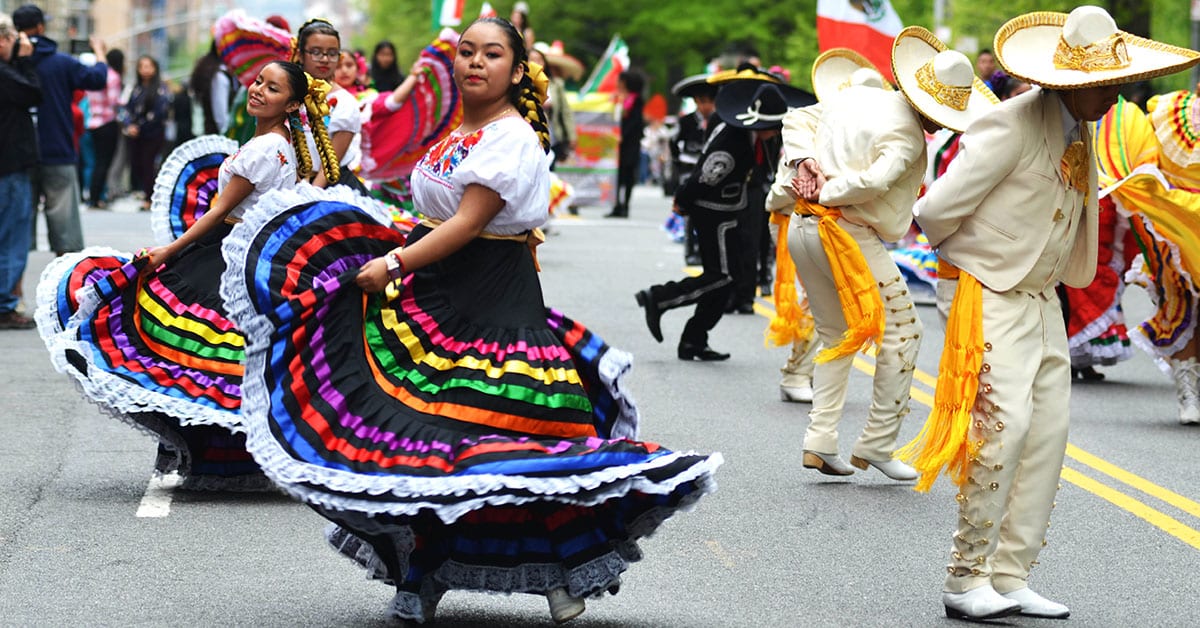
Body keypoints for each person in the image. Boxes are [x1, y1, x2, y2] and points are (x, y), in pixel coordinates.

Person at [220, 16, 721, 625]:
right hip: (435, 296)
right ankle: (421, 576)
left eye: (491, 54)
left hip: (496, 303)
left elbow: (468, 223)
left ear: (516, 71)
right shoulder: (459, 131)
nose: (475, 63)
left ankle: (561, 575)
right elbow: (433, 218)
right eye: (466, 52)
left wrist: (394, 261)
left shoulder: (511, 138)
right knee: (423, 441)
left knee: (518, 440)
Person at [902, 7, 1198, 620]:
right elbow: (934, 211)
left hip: (1041, 296)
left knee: (1047, 434)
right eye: (1103, 84)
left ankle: (1009, 576)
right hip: (991, 293)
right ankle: (965, 579)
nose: (1114, 95)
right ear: (1065, 80)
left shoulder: (1083, 128)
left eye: (1119, 84)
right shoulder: (1007, 125)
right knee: (1000, 429)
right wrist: (973, 265)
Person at [36, 61, 332, 489]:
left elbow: (217, 212)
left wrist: (168, 251)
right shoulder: (285, 144)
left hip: (227, 254)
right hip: (249, 256)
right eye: (258, 82)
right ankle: (229, 459)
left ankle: (217, 456)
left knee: (188, 351)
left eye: (272, 88)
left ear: (289, 104)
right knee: (223, 360)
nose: (257, 90)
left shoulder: (264, 149)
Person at [786, 29, 996, 482]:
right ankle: (878, 442)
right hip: (846, 233)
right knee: (904, 329)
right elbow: (875, 181)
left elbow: (796, 118)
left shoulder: (861, 98)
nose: (944, 125)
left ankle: (820, 441)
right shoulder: (908, 136)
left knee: (835, 334)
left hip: (803, 226)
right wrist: (831, 189)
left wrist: (800, 164)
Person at [635, 72, 810, 361]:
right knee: (721, 278)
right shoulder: (734, 141)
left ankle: (694, 339)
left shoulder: (750, 134)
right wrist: (682, 201)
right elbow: (704, 176)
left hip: (731, 210)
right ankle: (660, 297)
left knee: (728, 279)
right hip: (712, 213)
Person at [14, 4, 107, 255]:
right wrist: (99, 53)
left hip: (17, 154)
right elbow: (97, 79)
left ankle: (15, 291)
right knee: (66, 232)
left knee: (18, 229)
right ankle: (63, 285)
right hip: (58, 149)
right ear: (42, 27)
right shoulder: (62, 62)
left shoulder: (10, 63)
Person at [0, 14, 41, 330]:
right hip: (9, 165)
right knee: (11, 236)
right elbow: (32, 93)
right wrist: (26, 61)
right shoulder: (6, 73)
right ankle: (4, 304)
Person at [292, 18, 363, 192]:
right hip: (288, 183)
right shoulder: (287, 95)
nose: (324, 59)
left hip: (329, 187)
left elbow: (331, 165)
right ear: (301, 54)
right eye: (316, 52)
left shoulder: (344, 103)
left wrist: (309, 196)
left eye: (332, 53)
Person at [670, 73, 718, 265]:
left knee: (707, 213)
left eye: (708, 102)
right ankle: (690, 250)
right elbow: (674, 142)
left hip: (709, 171)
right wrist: (678, 163)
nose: (704, 107)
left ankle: (703, 249)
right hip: (689, 168)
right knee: (689, 212)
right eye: (700, 102)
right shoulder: (686, 121)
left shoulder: (718, 120)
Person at [122, 55, 169, 210]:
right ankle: (148, 193)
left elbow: (159, 114)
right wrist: (129, 126)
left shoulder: (160, 89)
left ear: (155, 68)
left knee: (148, 164)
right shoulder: (135, 88)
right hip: (135, 135)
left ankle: (151, 198)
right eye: (142, 66)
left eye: (149, 66)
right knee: (137, 165)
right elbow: (127, 110)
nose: (145, 70)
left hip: (153, 134)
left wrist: (139, 127)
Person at [83, 48, 122, 209]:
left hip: (92, 122)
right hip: (107, 122)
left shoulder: (93, 74)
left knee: (95, 162)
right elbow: (114, 102)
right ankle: (97, 198)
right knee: (104, 162)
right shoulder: (112, 76)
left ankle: (93, 196)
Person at [607, 69, 644, 218]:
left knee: (628, 174)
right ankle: (616, 204)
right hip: (617, 142)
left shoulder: (636, 100)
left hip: (630, 142)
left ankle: (626, 205)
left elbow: (636, 121)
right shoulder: (616, 98)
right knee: (617, 174)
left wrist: (623, 134)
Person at [190, 42, 234, 135]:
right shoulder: (219, 76)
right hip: (218, 137)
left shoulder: (213, 70)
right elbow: (220, 116)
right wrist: (228, 134)